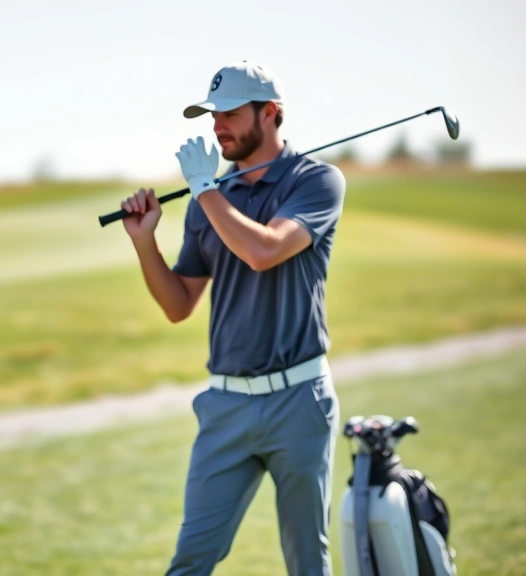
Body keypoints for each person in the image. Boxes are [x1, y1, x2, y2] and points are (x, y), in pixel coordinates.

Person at [119, 61, 346, 575]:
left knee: (308, 560)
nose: (217, 125)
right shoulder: (211, 199)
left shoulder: (316, 182)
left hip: (299, 401)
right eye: (211, 115)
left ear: (269, 113)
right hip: (226, 406)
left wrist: (206, 191)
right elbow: (178, 305)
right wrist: (144, 241)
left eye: (230, 113)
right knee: (191, 559)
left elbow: (265, 251)